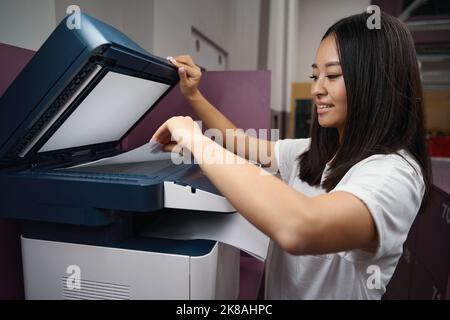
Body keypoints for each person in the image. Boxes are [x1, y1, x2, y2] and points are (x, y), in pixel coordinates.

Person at [151, 12, 431, 299]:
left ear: (376, 82)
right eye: (314, 75)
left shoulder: (394, 174)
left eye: (332, 76)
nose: (316, 89)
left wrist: (197, 141)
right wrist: (194, 95)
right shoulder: (314, 152)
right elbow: (241, 143)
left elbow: (301, 227)